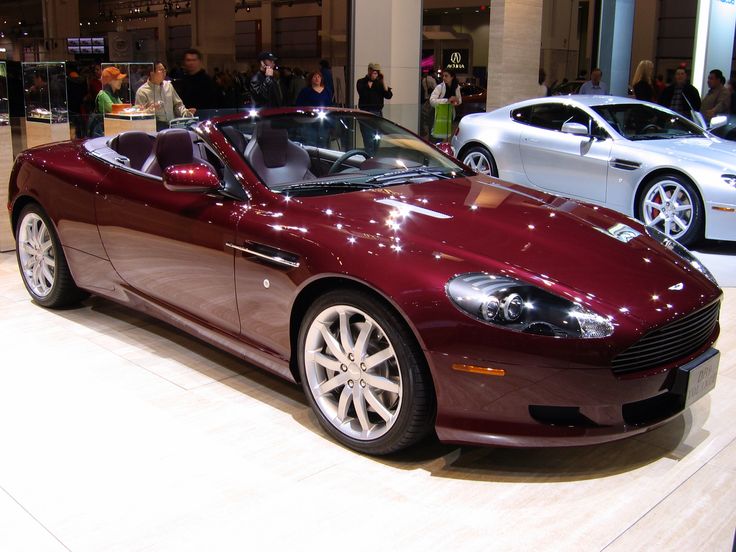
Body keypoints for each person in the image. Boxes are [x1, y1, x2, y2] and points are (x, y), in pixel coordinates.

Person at [135, 61, 194, 131]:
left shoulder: (168, 86)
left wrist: (186, 112)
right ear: (152, 73)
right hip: (155, 128)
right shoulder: (142, 91)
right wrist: (149, 110)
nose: (164, 72)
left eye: (165, 70)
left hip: (172, 126)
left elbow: (178, 104)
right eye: (161, 70)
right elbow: (138, 115)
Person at [175, 49, 218, 115]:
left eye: (194, 60)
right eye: (188, 60)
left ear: (199, 61)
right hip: (185, 117)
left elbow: (213, 103)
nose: (191, 63)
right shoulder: (182, 80)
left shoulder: (207, 81)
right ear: (184, 62)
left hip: (203, 116)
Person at [429, 68, 462, 140]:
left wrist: (456, 101)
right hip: (437, 115)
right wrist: (447, 100)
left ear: (452, 77)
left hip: (448, 115)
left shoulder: (456, 87)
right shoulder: (440, 87)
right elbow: (432, 101)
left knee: (445, 137)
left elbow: (459, 100)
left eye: (446, 76)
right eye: (443, 76)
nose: (444, 78)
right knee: (435, 137)